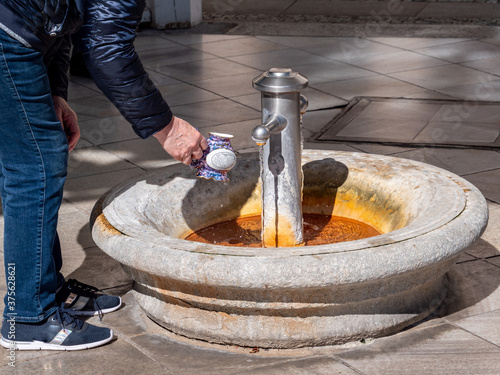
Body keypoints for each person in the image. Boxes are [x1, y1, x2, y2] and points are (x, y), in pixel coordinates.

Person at [0, 0, 207, 350]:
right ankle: (26, 316)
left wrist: (55, 92)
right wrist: (168, 129)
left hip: (20, 30)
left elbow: (65, 20)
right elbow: (106, 48)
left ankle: (46, 291)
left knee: (37, 159)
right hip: (8, 33)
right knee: (34, 168)